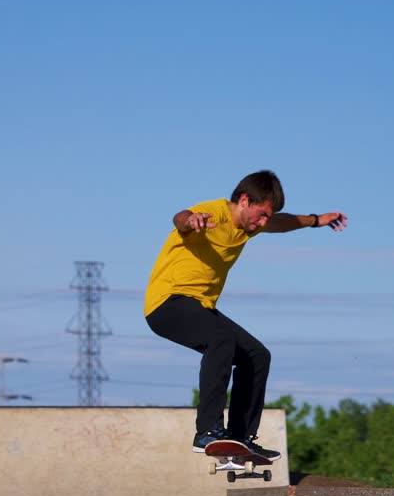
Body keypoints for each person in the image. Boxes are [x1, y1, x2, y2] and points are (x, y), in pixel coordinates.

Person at [144, 170, 347, 457]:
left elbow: (281, 222)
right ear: (243, 200)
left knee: (256, 355)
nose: (263, 223)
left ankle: (239, 439)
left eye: (267, 217)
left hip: (200, 307)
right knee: (221, 339)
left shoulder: (252, 223)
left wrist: (315, 220)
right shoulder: (213, 213)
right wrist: (190, 221)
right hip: (167, 302)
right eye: (261, 214)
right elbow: (181, 218)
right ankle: (207, 432)